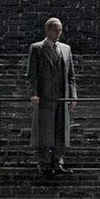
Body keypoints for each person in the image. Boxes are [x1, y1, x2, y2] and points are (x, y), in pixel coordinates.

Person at [27, 17, 77, 176]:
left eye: (60, 30)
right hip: (45, 97)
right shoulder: (37, 48)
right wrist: (33, 93)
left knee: (60, 130)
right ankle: (44, 162)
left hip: (61, 98)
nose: (59, 33)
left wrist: (73, 96)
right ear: (48, 30)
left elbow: (71, 76)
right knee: (44, 130)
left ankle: (58, 162)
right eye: (56, 30)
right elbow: (32, 75)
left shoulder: (66, 49)